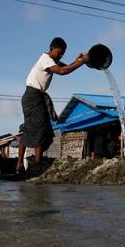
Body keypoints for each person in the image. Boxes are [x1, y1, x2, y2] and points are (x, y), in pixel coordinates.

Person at [16, 37, 89, 174]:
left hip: (37, 97)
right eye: (59, 52)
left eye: (63, 54)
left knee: (40, 129)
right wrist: (82, 62)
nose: (60, 55)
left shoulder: (52, 60)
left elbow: (65, 68)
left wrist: (78, 61)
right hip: (32, 97)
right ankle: (34, 165)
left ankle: (26, 164)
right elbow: (62, 71)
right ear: (51, 49)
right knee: (37, 129)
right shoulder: (46, 59)